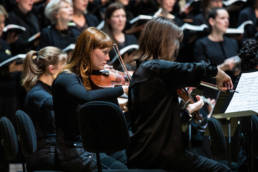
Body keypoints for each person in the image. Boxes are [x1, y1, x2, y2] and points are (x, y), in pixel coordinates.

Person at [126, 17, 233, 172]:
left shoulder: (149, 72)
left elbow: (160, 119)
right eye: (175, 41)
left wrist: (188, 111)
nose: (177, 47)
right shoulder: (151, 68)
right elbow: (191, 68)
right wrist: (216, 72)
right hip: (158, 155)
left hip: (159, 151)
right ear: (163, 42)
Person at [52, 27, 128, 172]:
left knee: (132, 157)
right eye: (104, 52)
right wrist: (121, 89)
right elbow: (85, 97)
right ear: (88, 50)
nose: (107, 58)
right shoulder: (66, 78)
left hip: (93, 144)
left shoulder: (89, 77)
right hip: (76, 151)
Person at [22, 46, 67, 171]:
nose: (67, 73)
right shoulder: (38, 95)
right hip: (48, 153)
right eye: (64, 68)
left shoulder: (48, 90)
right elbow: (60, 109)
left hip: (54, 148)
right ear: (51, 69)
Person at [102, 2, 138, 69]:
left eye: (123, 16)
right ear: (108, 20)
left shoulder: (132, 38)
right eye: (117, 16)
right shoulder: (103, 40)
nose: (121, 20)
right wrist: (124, 63)